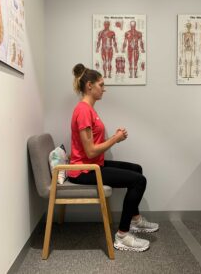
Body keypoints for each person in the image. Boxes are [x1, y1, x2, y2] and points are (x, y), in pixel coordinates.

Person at [68, 63, 159, 252]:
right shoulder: (84, 111)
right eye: (101, 84)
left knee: (136, 169)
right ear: (89, 86)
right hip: (83, 171)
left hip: (93, 164)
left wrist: (113, 138)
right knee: (139, 181)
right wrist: (115, 139)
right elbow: (91, 151)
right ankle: (122, 235)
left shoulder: (89, 109)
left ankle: (134, 220)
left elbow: (92, 150)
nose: (104, 89)